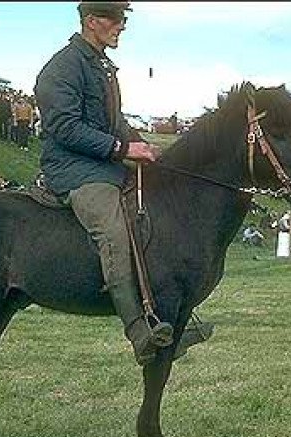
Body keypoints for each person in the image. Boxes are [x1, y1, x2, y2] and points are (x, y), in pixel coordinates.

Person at [34, 1, 183, 366]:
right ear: (91, 21)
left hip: (102, 163)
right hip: (73, 169)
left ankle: (168, 312)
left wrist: (141, 145)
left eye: (124, 19)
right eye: (115, 19)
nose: (121, 26)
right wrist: (120, 148)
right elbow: (65, 128)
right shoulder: (62, 68)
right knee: (113, 230)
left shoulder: (101, 66)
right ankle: (137, 330)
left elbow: (113, 121)